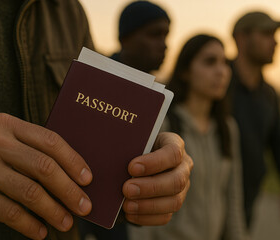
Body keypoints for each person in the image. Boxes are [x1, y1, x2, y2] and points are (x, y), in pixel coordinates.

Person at [0, 1, 193, 240]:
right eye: (154, 34)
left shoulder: (69, 12)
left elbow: (90, 164)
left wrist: (143, 189)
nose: (164, 45)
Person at [129, 34, 248, 240]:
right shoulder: (164, 125)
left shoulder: (228, 128)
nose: (221, 71)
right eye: (210, 62)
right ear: (185, 71)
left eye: (225, 63)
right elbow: (143, 204)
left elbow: (232, 200)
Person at [77, 1, 171, 239]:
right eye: (154, 34)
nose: (164, 45)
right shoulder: (99, 83)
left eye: (166, 35)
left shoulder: (156, 94)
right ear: (126, 37)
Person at [229, 11, 280, 228]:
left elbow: (279, 142)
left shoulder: (269, 94)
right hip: (206, 201)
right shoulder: (216, 83)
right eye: (267, 33)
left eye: (275, 34)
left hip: (248, 202)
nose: (275, 42)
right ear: (242, 38)